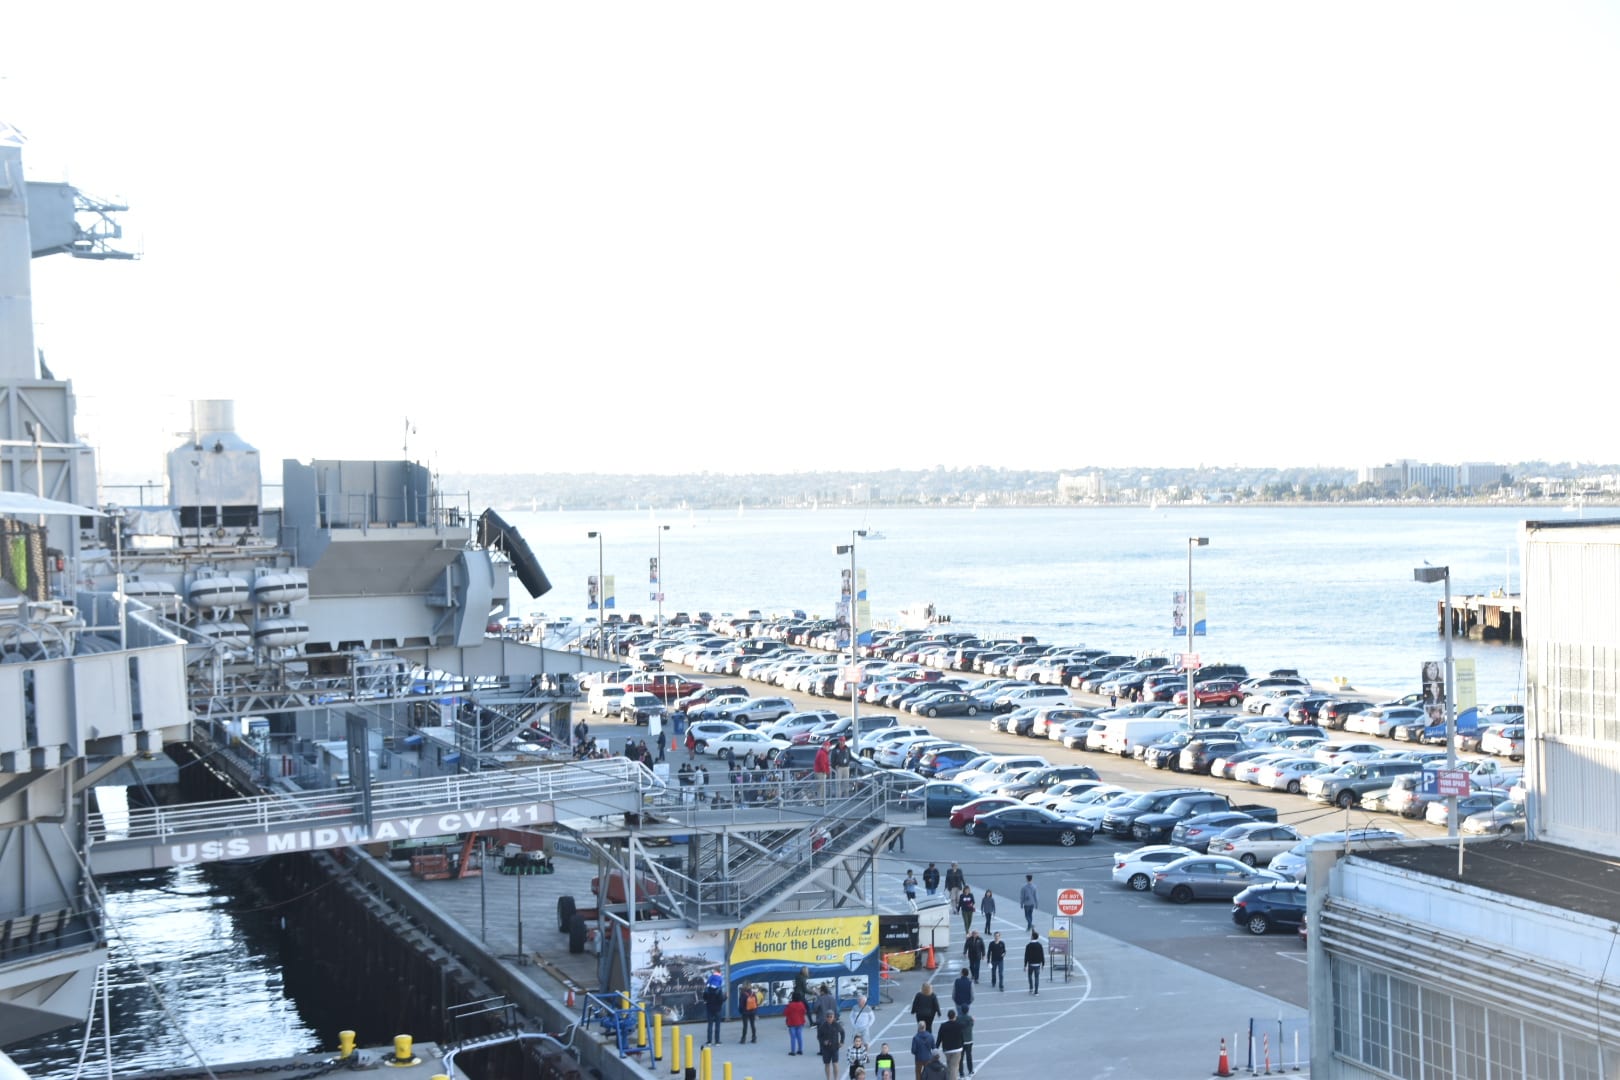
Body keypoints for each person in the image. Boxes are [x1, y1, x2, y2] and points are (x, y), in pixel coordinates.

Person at [936, 1009, 965, 1080]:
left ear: (948, 1016)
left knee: (949, 1066)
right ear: (955, 1016)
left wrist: (936, 1047)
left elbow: (939, 1037)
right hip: (957, 1049)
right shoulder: (959, 1025)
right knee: (954, 1067)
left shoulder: (943, 1026)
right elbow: (962, 1036)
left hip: (947, 1050)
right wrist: (962, 1044)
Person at [817, 1009, 845, 1080]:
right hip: (826, 1049)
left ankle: (836, 1079)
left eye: (831, 1016)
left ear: (833, 1017)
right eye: (828, 1017)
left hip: (835, 1047)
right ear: (826, 1017)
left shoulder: (836, 1025)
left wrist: (842, 1042)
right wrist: (823, 1041)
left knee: (835, 1064)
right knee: (827, 1064)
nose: (829, 1018)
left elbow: (842, 1032)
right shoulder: (822, 1026)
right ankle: (828, 1079)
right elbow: (819, 1036)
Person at [703, 971, 726, 1044]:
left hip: (709, 1008)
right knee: (717, 1025)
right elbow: (721, 999)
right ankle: (717, 1041)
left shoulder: (707, 988)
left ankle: (709, 1041)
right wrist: (726, 997)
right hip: (717, 1009)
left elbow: (704, 997)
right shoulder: (719, 989)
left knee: (710, 1025)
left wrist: (707, 1001)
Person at [1024, 930, 1046, 995]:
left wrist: (1025, 965)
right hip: (1037, 964)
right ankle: (1036, 991)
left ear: (1032, 937)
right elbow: (1042, 955)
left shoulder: (1028, 945)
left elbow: (1026, 956)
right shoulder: (1039, 945)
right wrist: (1043, 964)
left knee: (1030, 976)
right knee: (1037, 977)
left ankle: (1031, 988)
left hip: (1030, 964)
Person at [960, 1012, 976, 1079]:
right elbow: (972, 1025)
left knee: (960, 1058)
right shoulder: (970, 1018)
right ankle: (970, 1071)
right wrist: (973, 1020)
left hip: (961, 1041)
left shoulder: (958, 1018)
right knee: (969, 1056)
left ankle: (961, 1073)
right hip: (969, 1040)